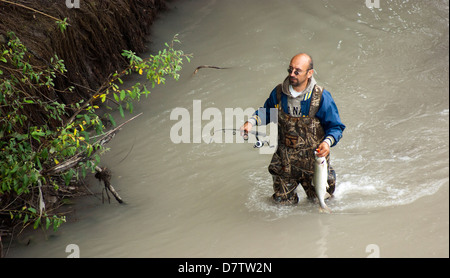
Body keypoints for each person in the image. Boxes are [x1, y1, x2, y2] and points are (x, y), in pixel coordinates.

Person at [240, 53, 345, 205]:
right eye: (290, 70)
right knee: (281, 207)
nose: (292, 74)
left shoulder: (321, 96)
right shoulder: (278, 93)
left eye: (297, 71)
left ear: (310, 73)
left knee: (320, 203)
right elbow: (267, 112)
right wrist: (251, 122)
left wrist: (327, 143)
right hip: (285, 163)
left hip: (314, 163)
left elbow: (335, 127)